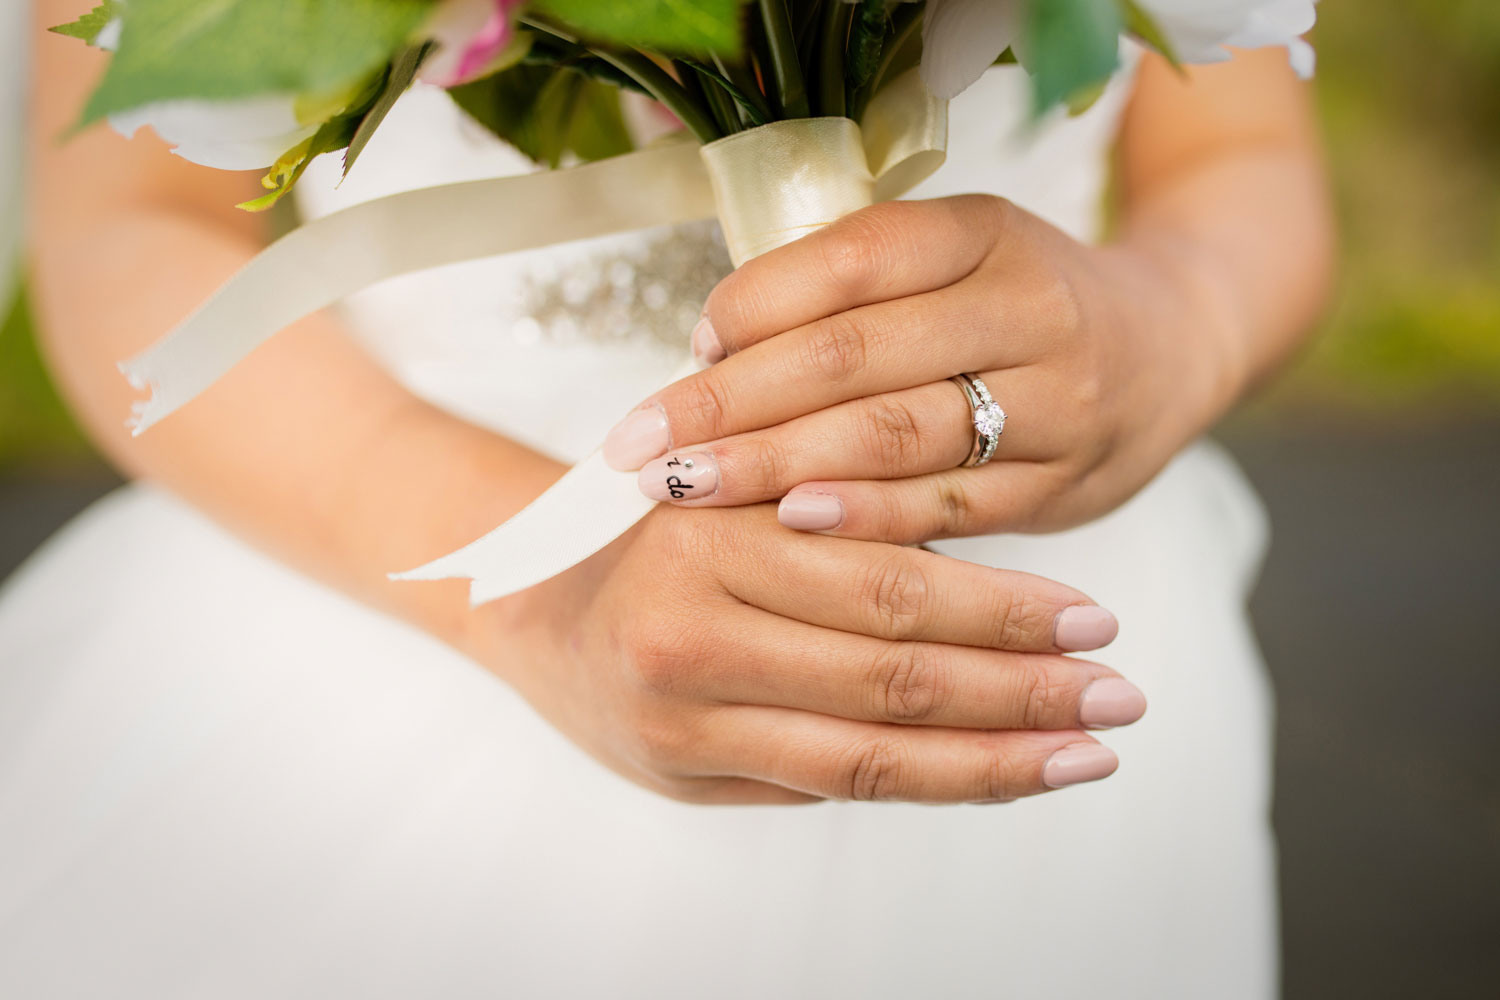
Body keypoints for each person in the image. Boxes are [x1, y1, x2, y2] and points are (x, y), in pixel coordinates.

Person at [0, 1, 1332, 995]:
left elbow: (1239, 153)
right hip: (384, 543)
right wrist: (528, 589)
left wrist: (1173, 327)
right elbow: (133, 208)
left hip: (1033, 580)